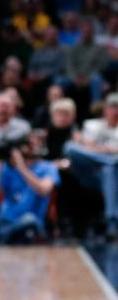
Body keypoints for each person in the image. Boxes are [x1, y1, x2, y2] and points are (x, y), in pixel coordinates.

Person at [0, 136, 57, 243]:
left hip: (31, 221)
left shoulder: (47, 167)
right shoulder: (7, 168)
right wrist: (0, 162)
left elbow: (44, 190)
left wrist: (21, 167)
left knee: (29, 220)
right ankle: (8, 236)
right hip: (4, 220)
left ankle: (2, 237)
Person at [64, 92, 118, 239]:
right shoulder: (92, 124)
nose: (115, 111)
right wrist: (110, 153)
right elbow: (84, 146)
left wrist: (97, 148)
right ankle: (110, 161)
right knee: (69, 147)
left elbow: (90, 146)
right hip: (90, 173)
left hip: (112, 176)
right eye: (112, 107)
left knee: (109, 171)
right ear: (105, 109)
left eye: (117, 107)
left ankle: (112, 222)